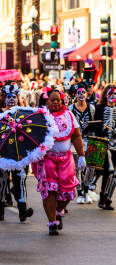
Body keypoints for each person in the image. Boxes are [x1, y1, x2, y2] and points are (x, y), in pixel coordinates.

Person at [32, 89, 87, 235]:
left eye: (59, 100)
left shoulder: (69, 115)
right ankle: (52, 223)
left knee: (69, 189)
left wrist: (81, 155)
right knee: (50, 189)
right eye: (53, 100)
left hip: (66, 159)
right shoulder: (40, 116)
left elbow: (76, 136)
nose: (56, 102)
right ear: (46, 101)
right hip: (46, 159)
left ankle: (57, 211)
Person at [91, 85, 116, 210]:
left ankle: (107, 198)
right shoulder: (98, 108)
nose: (113, 96)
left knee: (114, 174)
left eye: (115, 94)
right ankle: (102, 196)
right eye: (110, 94)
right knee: (108, 170)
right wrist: (102, 128)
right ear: (105, 95)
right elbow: (93, 126)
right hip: (103, 145)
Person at [0, 83, 34, 222]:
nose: (12, 100)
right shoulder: (0, 113)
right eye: (9, 97)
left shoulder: (22, 113)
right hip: (2, 153)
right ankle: (0, 210)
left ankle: (22, 210)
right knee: (1, 182)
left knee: (20, 180)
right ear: (4, 98)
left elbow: (29, 131)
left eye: (14, 97)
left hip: (19, 154)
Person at [68, 82, 96, 204]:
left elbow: (94, 124)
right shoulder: (70, 108)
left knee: (91, 167)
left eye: (83, 92)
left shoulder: (91, 108)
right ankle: (79, 192)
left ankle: (85, 190)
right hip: (75, 142)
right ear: (76, 94)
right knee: (76, 168)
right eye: (79, 93)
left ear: (86, 94)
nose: (81, 95)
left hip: (89, 140)